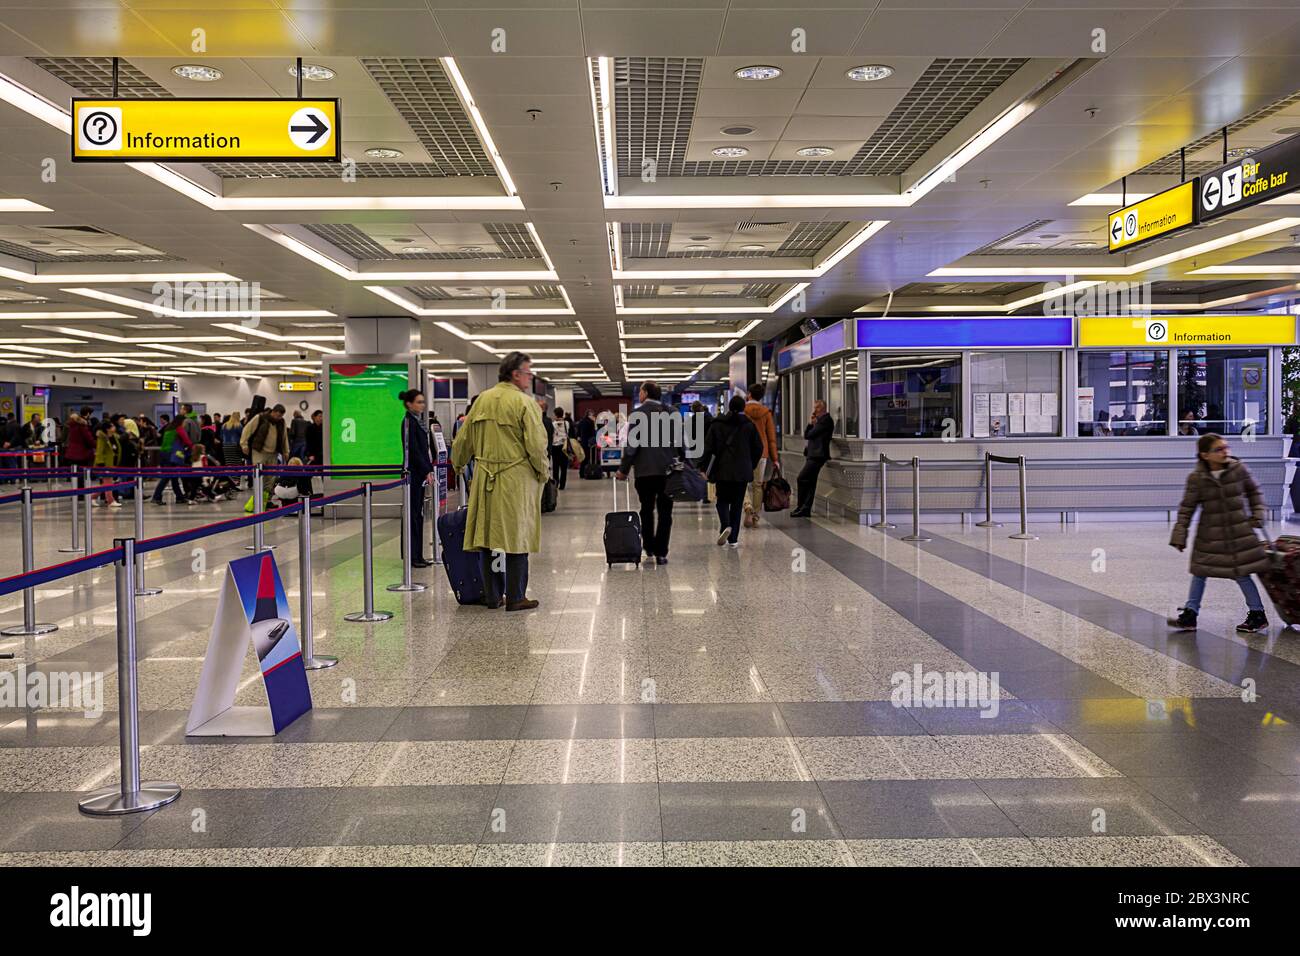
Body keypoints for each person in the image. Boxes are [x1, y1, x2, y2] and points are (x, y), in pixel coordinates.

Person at [450, 351, 548, 611]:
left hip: (484, 478)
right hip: (516, 479)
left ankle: (492, 596)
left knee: (487, 537)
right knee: (518, 537)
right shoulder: (524, 403)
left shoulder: (481, 400)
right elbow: (537, 446)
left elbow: (462, 441)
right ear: (516, 374)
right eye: (528, 372)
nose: (530, 377)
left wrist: (458, 464)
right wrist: (543, 472)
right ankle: (516, 596)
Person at [1168, 433, 1271, 634]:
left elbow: (1254, 492)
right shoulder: (1197, 478)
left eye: (1226, 447)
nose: (1225, 452)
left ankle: (1257, 614)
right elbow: (1187, 508)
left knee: (1241, 573)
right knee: (1199, 573)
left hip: (1238, 533)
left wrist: (1258, 514)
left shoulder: (1238, 470)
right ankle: (1190, 614)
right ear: (1205, 455)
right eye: (1219, 449)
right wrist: (1179, 536)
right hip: (1210, 535)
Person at [617, 381, 681, 565]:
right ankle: (662, 552)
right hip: (668, 472)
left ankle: (649, 546)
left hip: (645, 472)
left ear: (644, 393)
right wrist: (690, 464)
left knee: (646, 509)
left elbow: (631, 447)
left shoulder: (638, 415)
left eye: (641, 392)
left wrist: (623, 470)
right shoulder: (672, 413)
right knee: (666, 512)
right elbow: (682, 443)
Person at [698, 394, 763, 549]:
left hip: (722, 469)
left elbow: (708, 448)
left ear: (729, 407)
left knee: (722, 500)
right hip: (742, 471)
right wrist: (751, 464)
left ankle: (725, 526)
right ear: (743, 408)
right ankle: (733, 539)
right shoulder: (749, 425)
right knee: (737, 503)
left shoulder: (717, 424)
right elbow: (759, 448)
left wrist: (702, 467)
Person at [399, 388, 434, 569]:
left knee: (418, 515)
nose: (422, 405)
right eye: (419, 402)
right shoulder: (408, 423)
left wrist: (428, 469)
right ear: (409, 404)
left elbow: (423, 449)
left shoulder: (417, 422)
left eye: (422, 402)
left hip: (419, 473)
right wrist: (427, 469)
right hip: (412, 474)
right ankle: (411, 555)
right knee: (412, 515)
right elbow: (412, 451)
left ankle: (418, 555)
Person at [742, 383, 779, 527]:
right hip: (762, 453)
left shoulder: (743, 411)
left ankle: (747, 505)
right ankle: (756, 516)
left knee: (742, 482)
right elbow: (771, 438)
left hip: (744, 452)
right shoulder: (766, 412)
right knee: (758, 484)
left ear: (749, 394)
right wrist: (775, 459)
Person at [792, 399, 834, 518]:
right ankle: (803, 508)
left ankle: (803, 506)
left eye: (817, 408)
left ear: (823, 408)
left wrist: (812, 424)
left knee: (802, 478)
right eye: (814, 408)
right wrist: (811, 424)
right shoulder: (819, 421)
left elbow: (809, 435)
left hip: (818, 456)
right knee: (810, 482)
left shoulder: (825, 421)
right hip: (813, 454)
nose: (814, 410)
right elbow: (807, 435)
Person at [240, 403, 290, 468]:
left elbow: (284, 437)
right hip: (259, 452)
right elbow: (247, 430)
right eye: (278, 415)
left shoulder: (282, 422)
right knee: (258, 474)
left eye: (281, 416)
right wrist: (244, 445)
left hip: (273, 454)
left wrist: (286, 451)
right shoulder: (260, 417)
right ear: (273, 412)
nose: (279, 418)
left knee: (271, 477)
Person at [92, 420, 121, 508]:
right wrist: (100, 463)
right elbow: (99, 451)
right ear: (108, 429)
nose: (114, 428)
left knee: (107, 482)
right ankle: (110, 500)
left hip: (112, 462)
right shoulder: (102, 438)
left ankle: (92, 497)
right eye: (112, 426)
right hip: (105, 463)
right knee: (108, 482)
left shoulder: (114, 436)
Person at [550, 408, 571, 490]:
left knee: (555, 466)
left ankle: (556, 483)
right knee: (564, 467)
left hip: (555, 446)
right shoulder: (567, 423)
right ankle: (562, 485)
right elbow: (568, 432)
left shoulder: (553, 424)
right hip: (564, 446)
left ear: (555, 414)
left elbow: (552, 434)